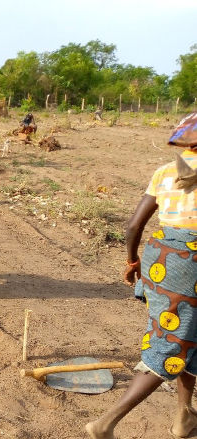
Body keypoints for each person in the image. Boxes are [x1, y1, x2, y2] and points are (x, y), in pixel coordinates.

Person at [86, 112, 197, 439]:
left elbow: (134, 225)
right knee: (170, 344)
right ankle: (106, 422)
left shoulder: (164, 172)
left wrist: (132, 260)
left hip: (161, 260)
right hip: (190, 265)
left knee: (186, 338)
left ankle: (183, 418)